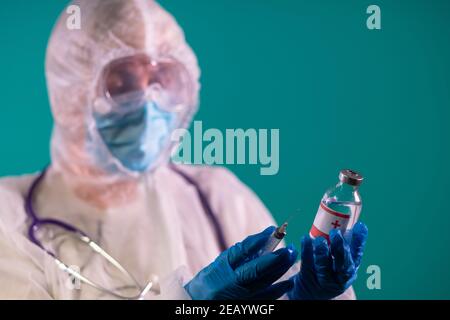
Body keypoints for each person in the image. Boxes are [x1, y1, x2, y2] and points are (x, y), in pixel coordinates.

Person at [0, 0, 368, 300]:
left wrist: (308, 299)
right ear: (73, 93)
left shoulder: (215, 195)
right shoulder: (7, 217)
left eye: (162, 79)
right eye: (122, 81)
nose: (149, 102)